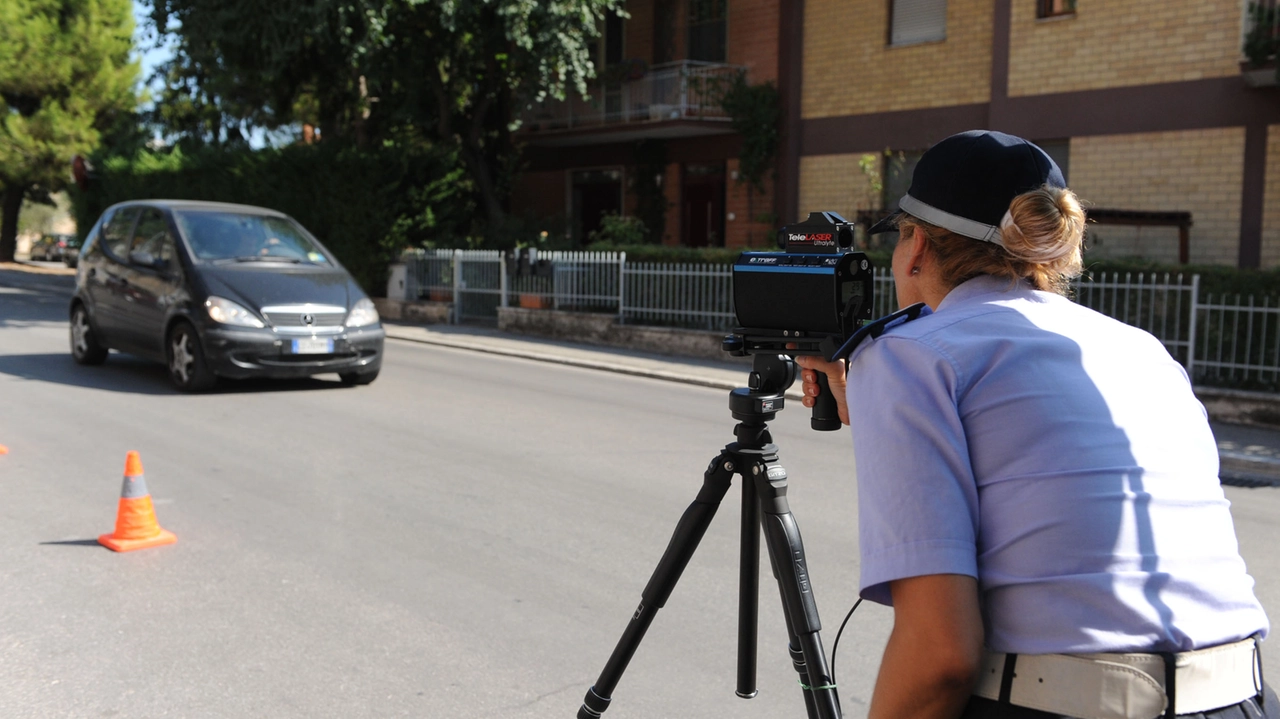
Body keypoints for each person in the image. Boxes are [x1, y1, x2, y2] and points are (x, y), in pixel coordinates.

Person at [795, 130, 1273, 719]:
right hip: (1243, 697)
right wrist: (871, 400)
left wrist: (884, 382)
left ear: (915, 246)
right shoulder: (1144, 351)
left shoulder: (908, 356)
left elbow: (940, 656)